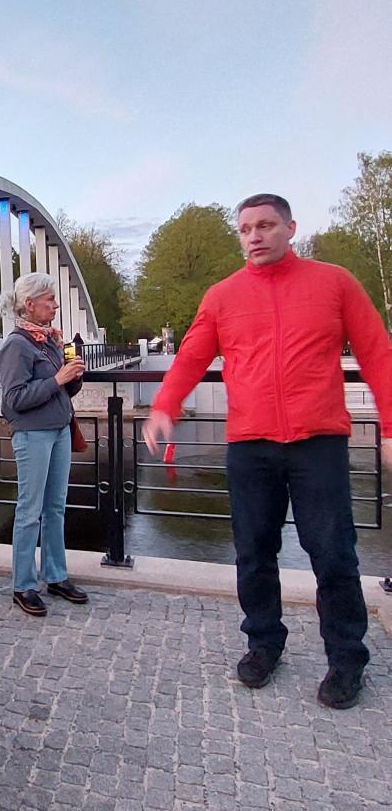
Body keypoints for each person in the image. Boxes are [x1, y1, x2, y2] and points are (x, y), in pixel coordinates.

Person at [143, 193, 392, 709]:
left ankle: (346, 659)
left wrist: (389, 427)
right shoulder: (222, 295)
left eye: (265, 226)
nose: (253, 236)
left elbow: (377, 352)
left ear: (290, 228)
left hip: (317, 443)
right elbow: (192, 354)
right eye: (245, 229)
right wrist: (165, 404)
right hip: (250, 444)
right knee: (254, 552)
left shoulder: (334, 283)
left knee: (334, 555)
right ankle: (263, 643)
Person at [0, 272, 89, 616]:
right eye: (49, 299)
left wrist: (72, 378)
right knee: (29, 511)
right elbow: (13, 401)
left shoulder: (49, 341)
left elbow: (61, 390)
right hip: (33, 434)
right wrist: (56, 379)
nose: (55, 304)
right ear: (29, 304)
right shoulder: (16, 346)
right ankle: (23, 584)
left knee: (55, 508)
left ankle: (55, 575)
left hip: (60, 430)